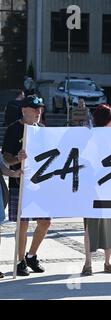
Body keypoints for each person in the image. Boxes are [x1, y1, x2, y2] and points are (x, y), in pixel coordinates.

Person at [2, 96, 51, 276]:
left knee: (45, 222)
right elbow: (6, 157)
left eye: (40, 109)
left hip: (39, 185)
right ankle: (20, 261)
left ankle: (32, 255)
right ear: (24, 111)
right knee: (22, 224)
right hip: (19, 182)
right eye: (35, 108)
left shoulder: (43, 130)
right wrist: (17, 158)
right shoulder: (14, 130)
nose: (39, 112)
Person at [82, 104, 111, 276]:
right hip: (94, 186)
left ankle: (108, 261)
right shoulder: (91, 137)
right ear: (106, 121)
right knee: (91, 224)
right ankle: (88, 263)